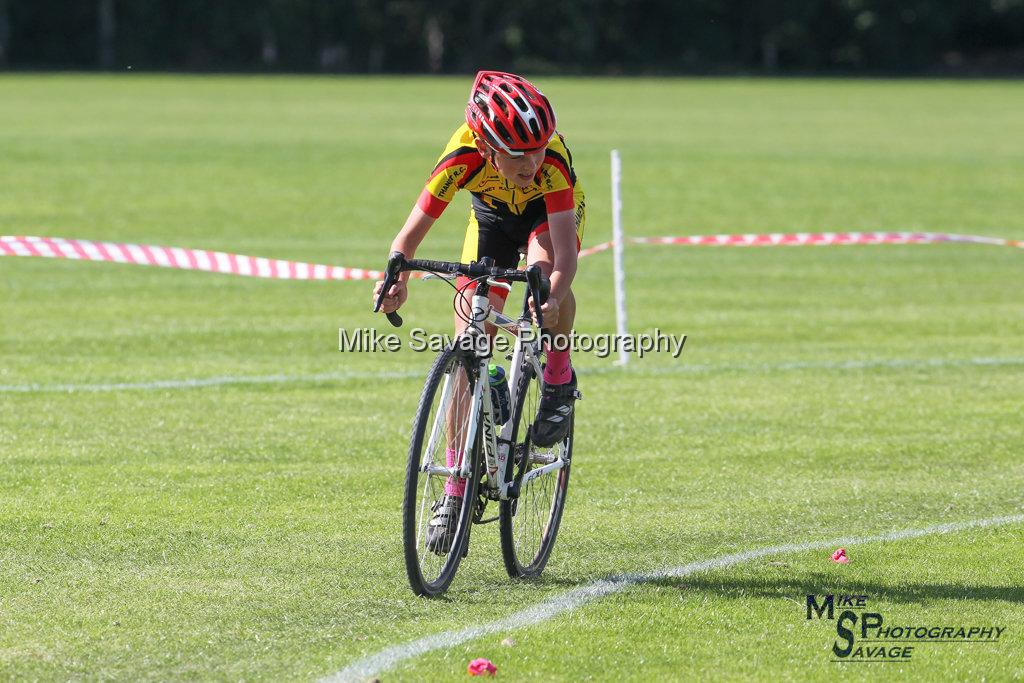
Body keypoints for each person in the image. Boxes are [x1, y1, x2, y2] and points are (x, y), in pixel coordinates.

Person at [373, 70, 584, 552]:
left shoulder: (551, 162)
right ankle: (456, 488)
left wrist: (551, 293)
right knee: (470, 337)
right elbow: (407, 238)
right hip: (489, 217)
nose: (531, 160)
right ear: (487, 147)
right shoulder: (462, 153)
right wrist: (395, 279)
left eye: (537, 148)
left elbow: (567, 258)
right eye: (517, 153)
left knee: (545, 278)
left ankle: (556, 376)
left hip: (545, 220)